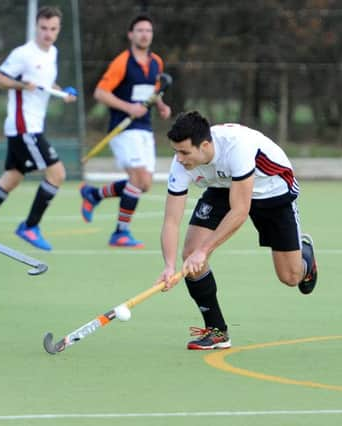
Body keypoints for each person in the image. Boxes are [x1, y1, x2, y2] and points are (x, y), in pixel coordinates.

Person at [157, 111, 318, 350]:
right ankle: (217, 330)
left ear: (205, 145)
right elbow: (171, 220)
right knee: (189, 253)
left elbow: (240, 211)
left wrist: (203, 251)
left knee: (291, 277)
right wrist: (169, 265)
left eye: (184, 152)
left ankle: (306, 259)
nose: (179, 159)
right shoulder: (183, 162)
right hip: (224, 186)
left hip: (272, 189)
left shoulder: (237, 148)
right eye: (176, 151)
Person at [0, 6, 76, 253]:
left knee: (11, 179)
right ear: (37, 27)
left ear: (58, 30)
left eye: (53, 29)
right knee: (57, 174)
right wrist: (22, 85)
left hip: (29, 126)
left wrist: (61, 92)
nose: (48, 33)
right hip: (25, 127)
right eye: (44, 28)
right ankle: (30, 227)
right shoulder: (23, 54)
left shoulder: (52, 52)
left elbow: (45, 83)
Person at [80, 14, 171, 248]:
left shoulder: (156, 63)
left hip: (144, 129)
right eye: (140, 30)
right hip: (123, 129)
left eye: (148, 31)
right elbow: (100, 93)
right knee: (137, 178)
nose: (144, 35)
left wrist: (160, 105)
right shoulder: (122, 62)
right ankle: (120, 233)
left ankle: (94, 195)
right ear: (131, 35)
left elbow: (154, 91)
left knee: (145, 183)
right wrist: (129, 107)